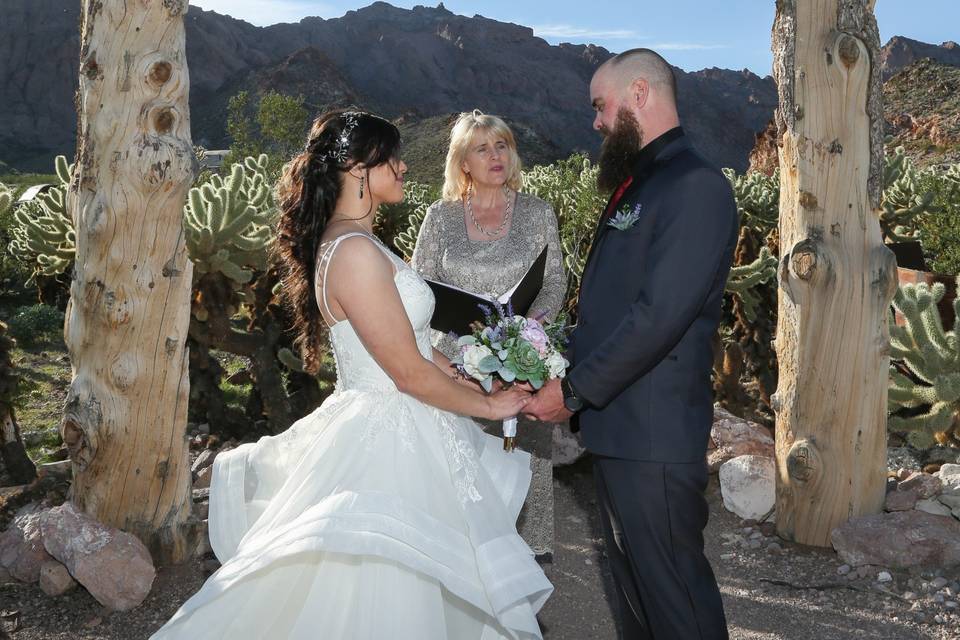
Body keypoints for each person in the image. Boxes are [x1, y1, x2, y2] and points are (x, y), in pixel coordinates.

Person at [152, 110, 552, 640]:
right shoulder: (355, 252)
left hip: (412, 422)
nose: (405, 167)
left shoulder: (363, 242)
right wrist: (490, 407)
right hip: (387, 436)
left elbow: (413, 344)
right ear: (359, 168)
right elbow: (405, 372)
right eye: (394, 158)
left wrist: (474, 377)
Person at [524, 49, 738, 639]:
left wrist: (570, 393)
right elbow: (612, 305)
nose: (596, 121)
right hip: (620, 429)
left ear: (639, 92)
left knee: (675, 602)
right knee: (638, 599)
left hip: (654, 433)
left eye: (601, 105)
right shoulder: (643, 182)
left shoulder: (694, 185)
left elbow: (659, 317)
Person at [411, 109, 568, 559]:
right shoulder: (439, 218)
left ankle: (530, 569)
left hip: (523, 363)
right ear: (463, 162)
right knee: (461, 474)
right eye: (482, 148)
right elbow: (420, 290)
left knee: (524, 465)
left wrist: (529, 330)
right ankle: (463, 570)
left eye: (502, 146)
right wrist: (464, 351)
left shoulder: (538, 212)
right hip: (455, 368)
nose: (495, 155)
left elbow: (554, 281)